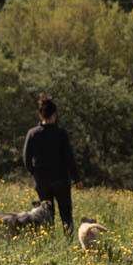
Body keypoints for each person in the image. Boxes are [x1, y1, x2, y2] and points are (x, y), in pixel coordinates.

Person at [21, 94, 77, 236]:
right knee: (65, 213)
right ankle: (68, 242)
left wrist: (33, 172)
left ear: (40, 114)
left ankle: (48, 240)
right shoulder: (61, 134)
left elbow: (26, 157)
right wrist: (77, 178)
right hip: (61, 179)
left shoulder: (33, 133)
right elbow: (69, 158)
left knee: (46, 214)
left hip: (42, 180)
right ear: (55, 114)